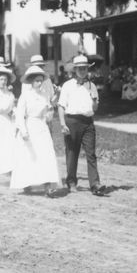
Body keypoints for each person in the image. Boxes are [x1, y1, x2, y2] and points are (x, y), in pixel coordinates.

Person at [10, 65, 67, 197]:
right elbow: (20, 115)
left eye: (41, 80)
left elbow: (47, 115)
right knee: (29, 155)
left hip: (42, 127)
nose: (39, 83)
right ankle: (27, 183)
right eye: (36, 80)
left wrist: (50, 112)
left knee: (46, 154)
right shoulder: (25, 96)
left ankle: (48, 186)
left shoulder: (44, 95)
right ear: (31, 81)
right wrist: (23, 131)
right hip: (29, 126)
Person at [57, 55, 108, 196]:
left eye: (85, 68)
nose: (83, 71)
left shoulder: (91, 86)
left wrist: (94, 101)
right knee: (72, 153)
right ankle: (71, 182)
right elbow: (61, 106)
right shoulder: (67, 86)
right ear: (75, 70)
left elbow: (95, 108)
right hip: (72, 122)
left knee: (91, 153)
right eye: (80, 68)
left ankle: (95, 184)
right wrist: (62, 124)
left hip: (88, 122)